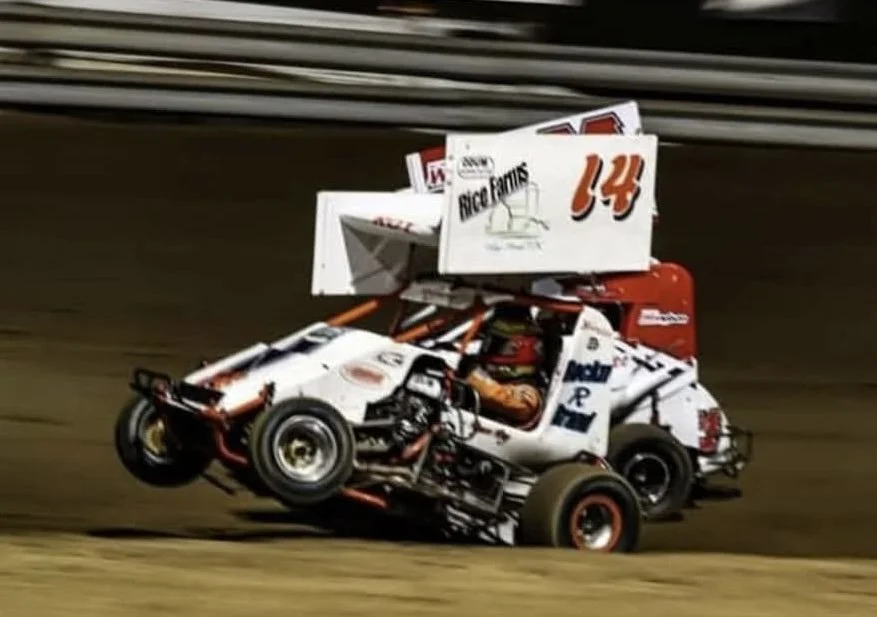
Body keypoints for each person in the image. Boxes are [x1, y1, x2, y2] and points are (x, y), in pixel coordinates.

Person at [462, 303, 549, 427]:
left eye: (495, 344)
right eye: (489, 341)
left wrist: (468, 371)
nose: (488, 347)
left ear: (517, 349)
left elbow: (494, 395)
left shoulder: (528, 396)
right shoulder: (484, 371)